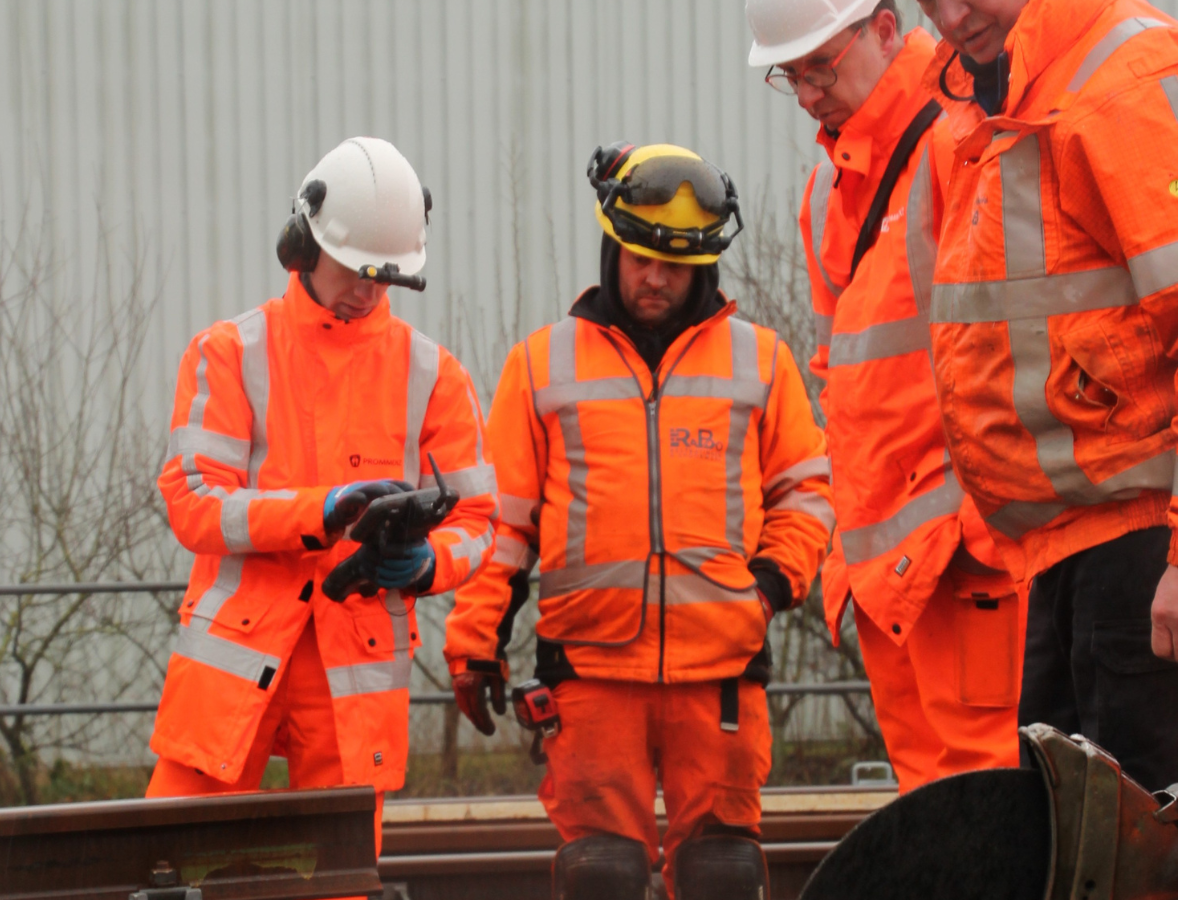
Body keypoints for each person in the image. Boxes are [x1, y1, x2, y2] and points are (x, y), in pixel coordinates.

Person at [444, 142, 834, 900]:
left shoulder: (762, 361)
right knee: (602, 876)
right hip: (590, 675)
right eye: (640, 258)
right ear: (612, 248)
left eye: (674, 265)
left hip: (721, 673)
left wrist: (767, 588)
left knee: (721, 874)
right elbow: (503, 524)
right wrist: (474, 640)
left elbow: (806, 493)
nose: (655, 278)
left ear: (704, 266)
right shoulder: (541, 364)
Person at [146, 137, 498, 864]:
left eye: (385, 278)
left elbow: (477, 519)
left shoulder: (434, 374)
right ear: (302, 246)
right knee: (169, 862)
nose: (367, 293)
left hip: (354, 671)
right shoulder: (229, 353)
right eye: (356, 271)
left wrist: (427, 563)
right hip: (234, 661)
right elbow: (196, 504)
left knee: (338, 877)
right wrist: (323, 511)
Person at [744, 0, 1024, 794]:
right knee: (932, 813)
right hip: (887, 576)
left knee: (991, 802)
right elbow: (844, 385)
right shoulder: (827, 194)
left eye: (821, 67)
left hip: (969, 561)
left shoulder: (961, 141)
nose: (808, 95)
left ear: (887, 30)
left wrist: (980, 523)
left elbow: (1018, 344)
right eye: (791, 76)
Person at [916, 0, 1178, 789]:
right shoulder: (998, 99)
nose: (951, 15)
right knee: (1071, 827)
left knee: (1131, 832)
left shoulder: (1117, 81)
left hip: (1139, 539)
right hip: (1071, 546)